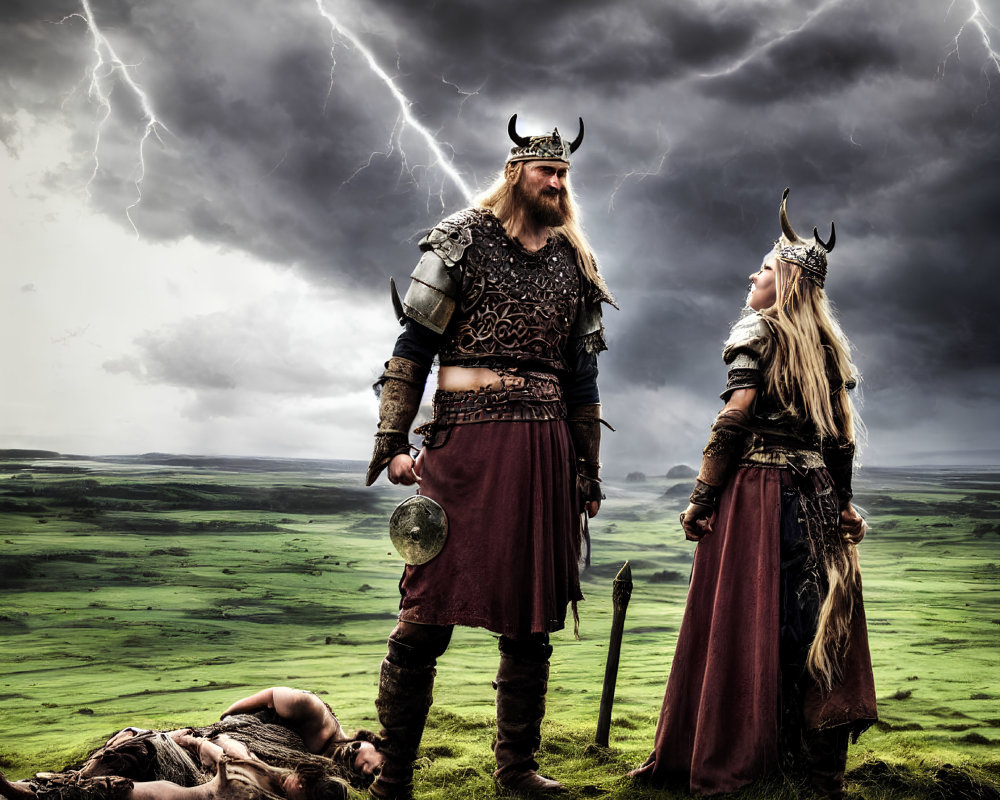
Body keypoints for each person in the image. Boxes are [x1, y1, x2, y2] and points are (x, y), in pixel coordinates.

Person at [364, 114, 614, 799]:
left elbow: (584, 381)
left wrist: (585, 468)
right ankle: (393, 777)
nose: (559, 183)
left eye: (565, 174)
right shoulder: (462, 239)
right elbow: (413, 348)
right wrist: (392, 443)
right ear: (515, 173)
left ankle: (515, 771)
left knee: (531, 623)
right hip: (464, 447)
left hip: (543, 451)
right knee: (424, 617)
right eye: (547, 171)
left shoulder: (575, 260)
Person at [629, 189, 877, 799]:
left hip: (758, 496)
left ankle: (740, 756)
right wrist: (841, 500)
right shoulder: (826, 346)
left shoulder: (757, 330)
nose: (752, 275)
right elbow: (838, 439)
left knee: (747, 621)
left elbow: (733, 418)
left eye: (763, 269)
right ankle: (817, 771)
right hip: (814, 495)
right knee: (813, 621)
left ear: (786, 283)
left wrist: (701, 498)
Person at [0, 688, 381, 800]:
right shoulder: (316, 715)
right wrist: (225, 726)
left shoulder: (312, 778)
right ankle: (49, 787)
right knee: (136, 744)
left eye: (375, 775)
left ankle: (45, 793)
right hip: (225, 741)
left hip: (215, 771)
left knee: (140, 757)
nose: (368, 766)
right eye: (372, 759)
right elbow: (266, 698)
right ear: (366, 739)